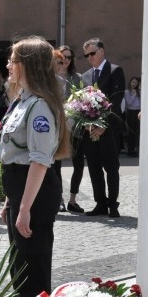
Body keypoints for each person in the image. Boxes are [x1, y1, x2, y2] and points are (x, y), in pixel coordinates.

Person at [0, 36, 71, 297]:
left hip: (35, 194)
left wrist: (25, 208)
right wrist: (11, 201)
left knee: (33, 269)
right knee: (20, 265)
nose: (8, 65)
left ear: (28, 65)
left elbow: (39, 161)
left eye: (13, 60)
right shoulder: (22, 101)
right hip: (21, 189)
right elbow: (19, 155)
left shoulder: (39, 106)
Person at [80, 38, 125, 217]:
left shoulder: (115, 71)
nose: (89, 57)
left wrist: (103, 126)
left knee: (111, 168)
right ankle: (100, 203)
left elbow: (116, 100)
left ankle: (113, 204)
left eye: (92, 53)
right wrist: (88, 125)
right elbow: (81, 104)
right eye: (86, 55)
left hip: (109, 129)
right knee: (94, 167)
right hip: (90, 131)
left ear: (101, 51)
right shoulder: (84, 76)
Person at [55, 45, 86, 213]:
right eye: (62, 57)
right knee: (56, 164)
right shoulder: (50, 77)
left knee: (79, 163)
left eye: (68, 57)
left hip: (75, 125)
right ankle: (58, 199)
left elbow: (82, 100)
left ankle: (73, 199)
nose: (65, 60)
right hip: (58, 125)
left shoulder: (77, 77)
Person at [123, 76, 141, 157]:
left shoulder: (139, 92)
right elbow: (129, 102)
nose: (134, 84)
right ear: (130, 82)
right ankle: (130, 150)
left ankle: (137, 150)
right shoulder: (127, 92)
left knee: (137, 131)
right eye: (133, 82)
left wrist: (138, 93)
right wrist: (134, 94)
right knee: (131, 131)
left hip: (138, 112)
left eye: (136, 83)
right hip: (131, 112)